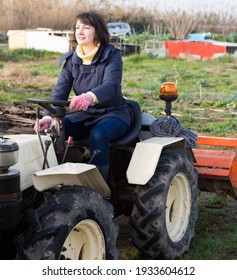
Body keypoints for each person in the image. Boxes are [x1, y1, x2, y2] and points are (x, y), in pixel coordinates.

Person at [34, 11, 131, 182]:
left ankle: (101, 189)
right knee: (55, 132)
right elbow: (60, 91)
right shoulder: (71, 59)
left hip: (113, 113)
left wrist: (89, 97)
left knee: (98, 135)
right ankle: (54, 180)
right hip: (84, 114)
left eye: (86, 27)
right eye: (78, 27)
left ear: (97, 31)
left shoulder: (112, 55)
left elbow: (111, 85)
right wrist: (48, 117)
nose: (80, 31)